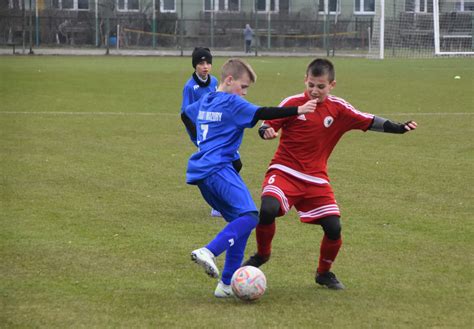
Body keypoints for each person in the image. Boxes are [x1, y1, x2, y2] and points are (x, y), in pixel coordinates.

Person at [242, 58, 418, 290]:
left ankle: (323, 273)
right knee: (267, 210)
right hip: (284, 171)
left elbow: (368, 120)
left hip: (316, 179)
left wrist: (398, 127)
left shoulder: (339, 109)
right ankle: (262, 255)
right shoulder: (294, 103)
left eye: (321, 86)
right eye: (311, 85)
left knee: (334, 228)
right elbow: (268, 123)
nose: (315, 91)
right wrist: (266, 131)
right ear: (305, 80)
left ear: (332, 85)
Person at [181, 58, 317, 298]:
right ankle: (209, 251)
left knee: (240, 224)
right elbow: (263, 112)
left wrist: (201, 142)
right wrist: (298, 110)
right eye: (243, 87)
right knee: (251, 215)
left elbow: (186, 115)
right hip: (219, 169)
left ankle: (225, 284)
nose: (244, 93)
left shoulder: (207, 99)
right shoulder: (232, 103)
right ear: (230, 80)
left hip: (201, 171)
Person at [181, 47, 240, 217]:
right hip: (204, 135)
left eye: (207, 63)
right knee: (215, 167)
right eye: (201, 63)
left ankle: (223, 198)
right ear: (195, 66)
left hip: (218, 131)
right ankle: (218, 204)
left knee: (236, 164)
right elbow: (185, 115)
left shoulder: (214, 81)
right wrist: (198, 139)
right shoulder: (190, 87)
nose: (205, 66)